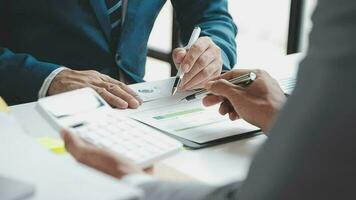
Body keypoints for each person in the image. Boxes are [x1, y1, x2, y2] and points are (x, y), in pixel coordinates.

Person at [62, 0, 356, 199]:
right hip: (34, 110)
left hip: (136, 114)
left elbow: (211, 14)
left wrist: (213, 50)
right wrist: (279, 117)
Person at [0, 0, 237, 107]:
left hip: (136, 108)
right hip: (28, 111)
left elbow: (211, 15)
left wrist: (214, 51)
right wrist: (50, 78)